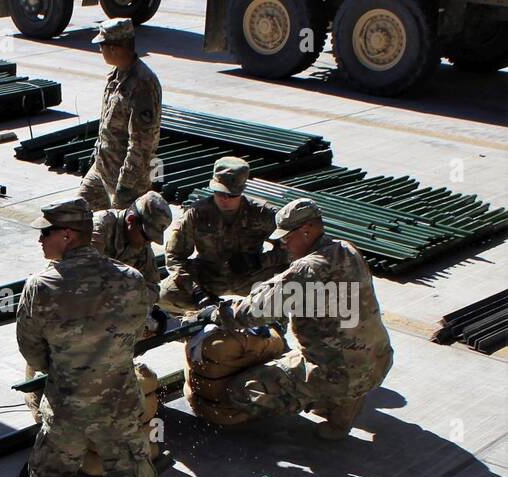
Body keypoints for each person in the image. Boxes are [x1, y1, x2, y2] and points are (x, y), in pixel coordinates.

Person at [15, 199, 157, 477]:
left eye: (45, 233)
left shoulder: (40, 287)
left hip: (67, 408)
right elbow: (139, 332)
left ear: (66, 235)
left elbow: (32, 352)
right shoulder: (130, 279)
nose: (39, 240)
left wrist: (66, 364)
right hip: (120, 406)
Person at [208, 198, 394, 440]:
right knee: (343, 353)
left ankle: (327, 396)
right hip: (377, 361)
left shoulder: (308, 269)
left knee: (241, 391)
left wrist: (215, 313)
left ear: (307, 231)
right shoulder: (346, 249)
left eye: (286, 237)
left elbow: (253, 311)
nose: (283, 243)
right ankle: (343, 408)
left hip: (336, 371)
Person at [159, 156, 288, 312]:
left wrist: (259, 261)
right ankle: (203, 315)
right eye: (219, 193)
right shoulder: (197, 213)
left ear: (242, 190)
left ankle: (272, 324)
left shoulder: (263, 213)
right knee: (164, 293)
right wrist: (196, 290)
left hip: (251, 276)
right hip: (209, 276)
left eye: (231, 195)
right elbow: (174, 256)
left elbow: (291, 249)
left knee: (293, 282)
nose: (224, 199)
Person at [76, 18, 161, 213]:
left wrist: (125, 188)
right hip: (102, 169)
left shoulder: (143, 85)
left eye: (102, 45)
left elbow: (141, 144)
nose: (100, 50)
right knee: (77, 217)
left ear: (115, 49)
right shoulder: (115, 76)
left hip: (127, 180)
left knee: (124, 236)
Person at [92, 189, 172, 304]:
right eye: (146, 236)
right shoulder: (99, 227)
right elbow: (85, 275)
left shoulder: (141, 242)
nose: (148, 242)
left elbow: (152, 286)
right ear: (131, 220)